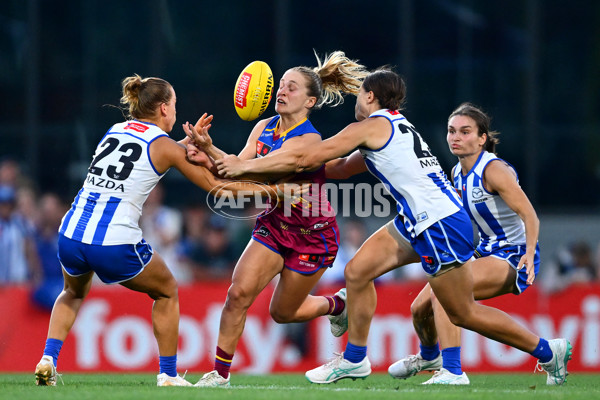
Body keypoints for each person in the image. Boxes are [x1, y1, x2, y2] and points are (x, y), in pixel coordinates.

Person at [211, 68, 572, 386]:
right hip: (416, 221)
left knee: (460, 310)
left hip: (439, 223)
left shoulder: (372, 125)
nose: (356, 101)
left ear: (369, 96)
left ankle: (541, 351)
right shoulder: (392, 126)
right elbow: (335, 168)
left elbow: (312, 154)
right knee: (357, 271)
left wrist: (246, 168)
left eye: (359, 95)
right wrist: (292, 173)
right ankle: (355, 359)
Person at [34, 74, 282, 387]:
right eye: (174, 105)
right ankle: (167, 374)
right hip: (113, 240)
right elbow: (219, 190)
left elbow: (146, 151)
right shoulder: (165, 147)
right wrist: (276, 192)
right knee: (166, 290)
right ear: (164, 108)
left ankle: (47, 359)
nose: (176, 113)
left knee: (72, 292)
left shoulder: (115, 130)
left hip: (71, 233)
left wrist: (183, 145)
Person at [184, 50, 369, 387]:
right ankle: (219, 375)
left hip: (312, 235)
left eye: (292, 88)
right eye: (280, 86)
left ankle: (336, 305)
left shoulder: (310, 140)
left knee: (282, 314)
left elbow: (258, 175)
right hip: (273, 226)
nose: (281, 92)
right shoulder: (264, 127)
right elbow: (238, 172)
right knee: (237, 295)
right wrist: (209, 151)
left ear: (310, 101)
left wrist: (224, 167)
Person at [387, 102, 542, 384]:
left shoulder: (493, 170)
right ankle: (429, 354)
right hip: (483, 252)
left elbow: (530, 215)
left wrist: (530, 254)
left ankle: (453, 371)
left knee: (443, 295)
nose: (455, 137)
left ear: (482, 138)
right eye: (451, 131)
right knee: (418, 309)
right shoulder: (457, 173)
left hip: (512, 255)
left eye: (465, 131)